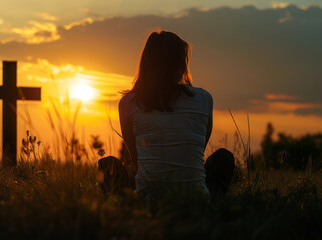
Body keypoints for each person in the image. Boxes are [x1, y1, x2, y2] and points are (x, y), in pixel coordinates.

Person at [99, 30, 234, 200]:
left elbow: (135, 158)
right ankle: (213, 201)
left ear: (146, 65)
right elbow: (198, 149)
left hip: (147, 199)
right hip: (196, 199)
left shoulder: (128, 102)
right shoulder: (204, 98)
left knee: (107, 164)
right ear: (181, 65)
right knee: (224, 158)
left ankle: (123, 206)